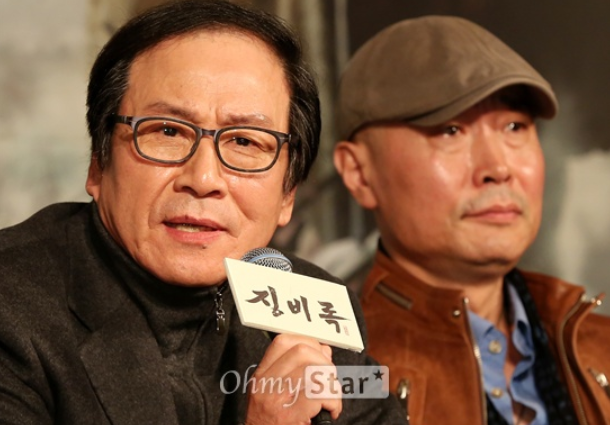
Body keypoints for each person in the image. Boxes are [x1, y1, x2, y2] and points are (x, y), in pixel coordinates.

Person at [0, 1, 405, 424]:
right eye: (167, 131)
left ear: (288, 194)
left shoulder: (319, 308)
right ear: (98, 165)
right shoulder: (12, 308)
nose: (204, 178)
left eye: (245, 142)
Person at [333, 15, 610, 425]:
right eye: (450, 131)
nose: (497, 168)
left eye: (514, 126)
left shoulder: (599, 347)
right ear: (359, 173)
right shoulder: (334, 376)